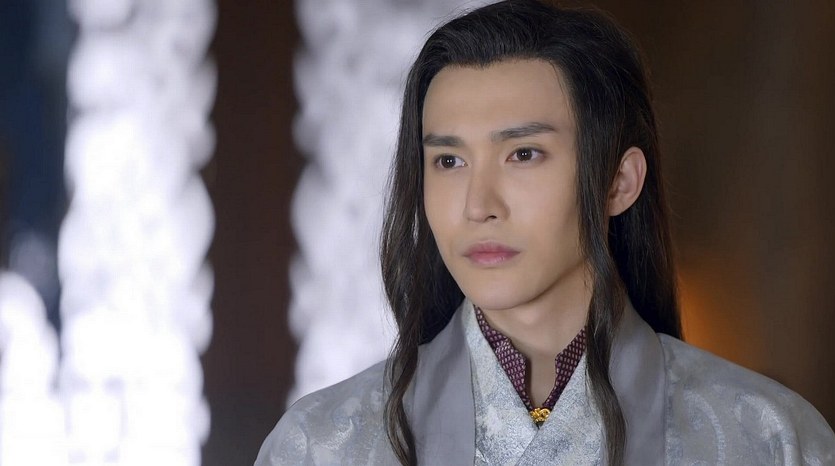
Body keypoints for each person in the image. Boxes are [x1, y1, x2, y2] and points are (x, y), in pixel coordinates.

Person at [255, 1, 835, 464]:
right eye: (449, 161)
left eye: (524, 154)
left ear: (619, 182)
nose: (478, 206)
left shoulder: (767, 439)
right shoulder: (320, 445)